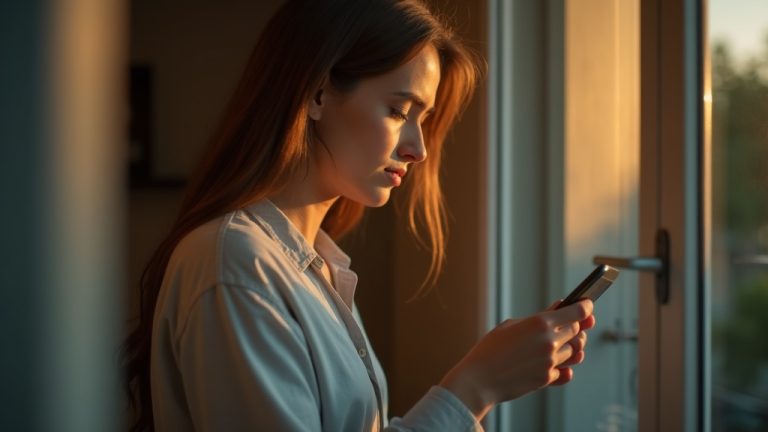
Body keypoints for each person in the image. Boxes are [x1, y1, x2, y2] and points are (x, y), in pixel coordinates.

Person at [121, 0, 596, 431]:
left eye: (423, 119)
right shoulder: (236, 263)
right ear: (317, 94)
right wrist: (472, 389)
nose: (419, 149)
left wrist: (488, 381)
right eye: (398, 110)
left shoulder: (316, 266)